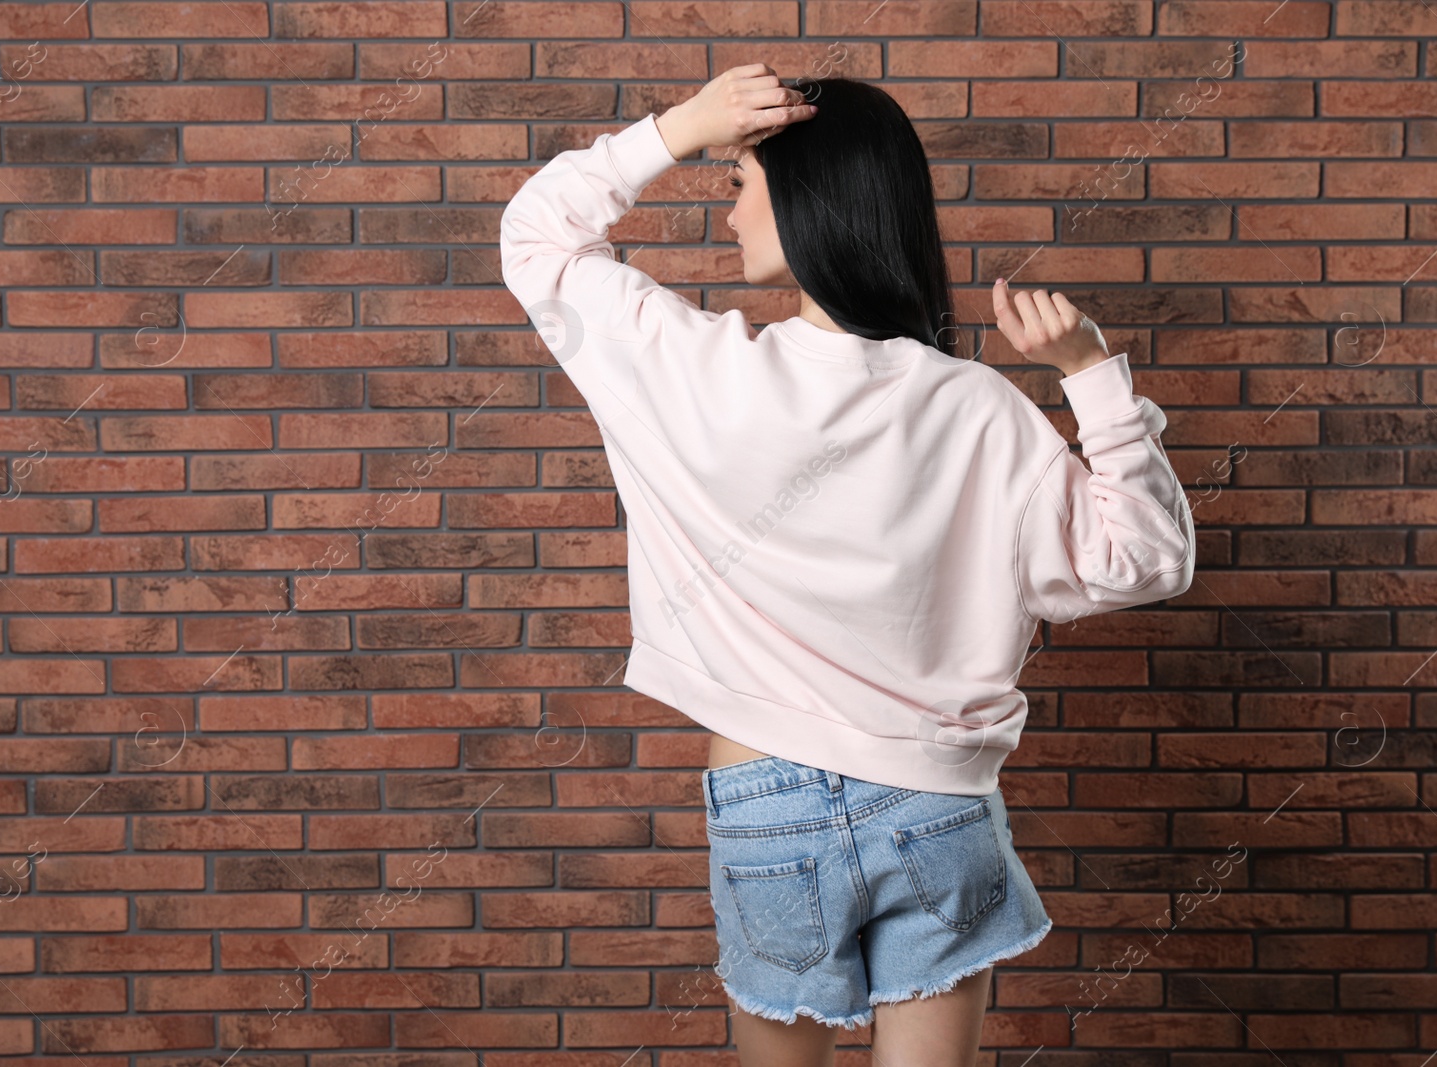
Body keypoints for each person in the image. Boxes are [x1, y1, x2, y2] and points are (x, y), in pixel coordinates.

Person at [500, 66, 1195, 1067]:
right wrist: (1091, 373)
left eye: (740, 180)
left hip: (765, 800)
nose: (730, 209)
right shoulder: (977, 407)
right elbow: (1145, 562)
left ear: (803, 194)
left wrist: (680, 126)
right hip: (936, 802)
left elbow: (536, 236)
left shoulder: (689, 367)